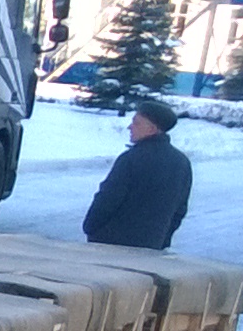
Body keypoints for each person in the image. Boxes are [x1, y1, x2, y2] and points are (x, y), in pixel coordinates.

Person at [82, 98, 192, 250]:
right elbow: (179, 210)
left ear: (151, 129)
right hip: (151, 247)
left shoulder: (131, 159)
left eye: (136, 123)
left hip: (110, 244)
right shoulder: (182, 162)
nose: (130, 127)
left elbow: (108, 199)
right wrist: (162, 240)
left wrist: (91, 228)